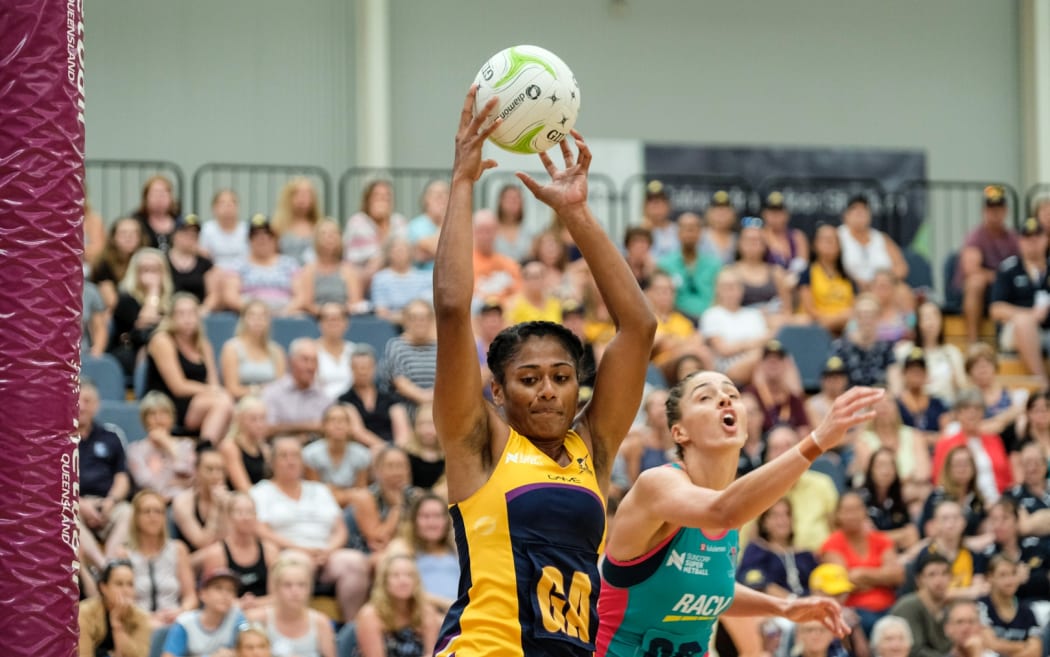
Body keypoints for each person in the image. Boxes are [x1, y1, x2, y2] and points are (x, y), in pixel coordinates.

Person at [431, 89, 657, 657]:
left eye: (561, 376)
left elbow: (638, 329)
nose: (549, 390)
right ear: (499, 392)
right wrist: (462, 181)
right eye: (529, 379)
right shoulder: (479, 441)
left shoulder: (593, 446)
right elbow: (454, 309)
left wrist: (576, 214)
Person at [596, 373, 876, 657]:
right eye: (705, 396)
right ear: (680, 432)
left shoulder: (734, 502)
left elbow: (712, 588)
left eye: (732, 394)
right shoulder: (658, 485)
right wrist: (816, 441)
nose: (724, 398)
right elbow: (723, 512)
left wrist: (783, 607)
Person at [250, 437, 370, 622]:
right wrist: (302, 549)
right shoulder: (261, 491)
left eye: (295, 456)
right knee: (295, 566)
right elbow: (261, 530)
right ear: (272, 462)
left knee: (356, 562)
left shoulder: (319, 490)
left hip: (326, 551)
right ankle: (296, 626)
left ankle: (351, 628)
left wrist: (328, 550)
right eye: (284, 456)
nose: (290, 461)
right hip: (288, 551)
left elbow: (340, 529)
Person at [146, 292, 234, 442]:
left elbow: (213, 381)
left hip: (199, 401)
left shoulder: (204, 345)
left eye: (192, 313)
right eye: (181, 314)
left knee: (227, 403)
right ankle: (205, 450)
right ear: (171, 317)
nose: (187, 319)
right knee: (223, 402)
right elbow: (178, 387)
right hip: (169, 403)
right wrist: (211, 391)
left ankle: (210, 447)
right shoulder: (162, 340)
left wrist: (214, 390)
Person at [820, 491, 905, 635]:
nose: (853, 515)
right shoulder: (832, 544)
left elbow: (897, 575)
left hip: (889, 606)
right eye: (847, 510)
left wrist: (862, 574)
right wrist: (882, 577)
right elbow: (844, 581)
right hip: (855, 610)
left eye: (857, 509)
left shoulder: (881, 540)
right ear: (838, 515)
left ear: (864, 512)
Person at [112, 490, 198, 627]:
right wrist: (148, 618)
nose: (153, 516)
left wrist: (181, 611)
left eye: (158, 511)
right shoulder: (123, 553)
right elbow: (120, 599)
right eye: (147, 511)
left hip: (174, 620)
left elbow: (191, 597)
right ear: (136, 517)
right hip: (137, 622)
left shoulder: (178, 549)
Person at [989, 217, 1050, 388]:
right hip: (1016, 332)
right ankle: (1043, 385)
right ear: (1020, 241)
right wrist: (1031, 315)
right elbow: (996, 309)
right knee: (1024, 322)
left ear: (1046, 239)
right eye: (1028, 238)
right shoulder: (1009, 269)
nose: (1033, 242)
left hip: (1047, 330)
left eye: (1037, 237)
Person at [954, 185, 1019, 344]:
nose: (995, 212)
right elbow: (971, 269)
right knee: (975, 282)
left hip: (1005, 290)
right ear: (984, 210)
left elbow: (1023, 265)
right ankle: (972, 342)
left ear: (1006, 210)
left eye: (999, 208)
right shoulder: (975, 236)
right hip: (981, 292)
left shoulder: (1013, 237)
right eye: (991, 208)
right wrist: (1001, 277)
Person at [78, 381, 132, 566]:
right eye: (77, 400)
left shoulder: (110, 436)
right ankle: (102, 566)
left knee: (128, 512)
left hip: (106, 503)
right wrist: (80, 504)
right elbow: (54, 482)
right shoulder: (58, 438)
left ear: (97, 405)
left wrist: (111, 501)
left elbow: (122, 477)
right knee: (66, 514)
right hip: (75, 504)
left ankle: (111, 562)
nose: (81, 406)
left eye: (87, 400)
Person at [195, 493, 279, 611]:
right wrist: (240, 604)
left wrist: (254, 603)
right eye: (239, 512)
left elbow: (277, 596)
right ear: (229, 517)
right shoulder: (216, 553)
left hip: (263, 610)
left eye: (250, 512)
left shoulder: (270, 550)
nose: (246, 517)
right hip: (227, 612)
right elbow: (210, 596)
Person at [244, 555, 336, 657]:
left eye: (301, 585)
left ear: (310, 589)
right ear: (276, 588)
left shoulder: (320, 622)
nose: (295, 592)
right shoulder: (257, 619)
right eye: (287, 585)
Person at [353, 553, 442, 657]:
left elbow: (431, 653)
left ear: (416, 582)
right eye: (395, 575)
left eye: (409, 575)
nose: (403, 581)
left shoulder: (426, 611)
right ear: (385, 581)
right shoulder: (370, 615)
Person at [933, 390, 1013, 504]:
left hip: (999, 501)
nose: (972, 413)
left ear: (983, 413)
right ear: (957, 414)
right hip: (962, 502)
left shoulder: (995, 440)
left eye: (977, 409)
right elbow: (939, 480)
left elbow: (1008, 476)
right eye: (966, 409)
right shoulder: (945, 444)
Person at [385, 492, 460, 613]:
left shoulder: (456, 548)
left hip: (463, 614)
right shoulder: (403, 547)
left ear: (447, 520)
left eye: (438, 516)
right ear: (414, 521)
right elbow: (392, 588)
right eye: (425, 516)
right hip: (425, 614)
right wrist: (446, 604)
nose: (432, 523)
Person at [108, 247, 174, 379]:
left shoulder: (172, 300)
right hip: (131, 350)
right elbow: (145, 324)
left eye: (155, 270)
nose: (150, 275)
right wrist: (153, 292)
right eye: (145, 270)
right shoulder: (126, 299)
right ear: (135, 273)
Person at [736, 497, 820, 600]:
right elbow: (759, 584)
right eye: (775, 515)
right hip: (772, 609)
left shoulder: (805, 555)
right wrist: (793, 602)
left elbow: (819, 583)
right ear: (764, 522)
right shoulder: (757, 551)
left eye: (787, 515)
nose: (782, 520)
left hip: (808, 607)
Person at [701, 269, 774, 385]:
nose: (731, 290)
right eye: (726, 286)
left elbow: (766, 340)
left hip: (758, 364)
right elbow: (724, 349)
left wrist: (740, 345)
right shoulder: (711, 315)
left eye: (735, 286)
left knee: (781, 357)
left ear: (742, 289)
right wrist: (752, 344)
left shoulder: (754, 315)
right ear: (717, 289)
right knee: (762, 355)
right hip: (727, 368)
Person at [222, 215, 302, 316]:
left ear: (274, 239)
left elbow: (301, 295)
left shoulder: (289, 264)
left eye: (267, 234)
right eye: (256, 235)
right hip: (250, 313)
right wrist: (255, 313)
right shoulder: (238, 265)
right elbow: (230, 296)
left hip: (284, 313)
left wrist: (285, 311)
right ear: (249, 240)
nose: (262, 238)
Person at [125, 392, 197, 504]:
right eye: (152, 414)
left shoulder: (186, 445)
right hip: (149, 504)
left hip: (182, 504)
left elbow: (191, 477)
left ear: (172, 417)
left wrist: (170, 446)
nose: (158, 419)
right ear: (144, 419)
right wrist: (173, 484)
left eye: (164, 413)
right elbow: (147, 484)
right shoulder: (135, 450)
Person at [894, 301, 968, 405]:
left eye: (935, 316)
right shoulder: (904, 351)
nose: (931, 322)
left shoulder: (952, 353)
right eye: (926, 317)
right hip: (914, 408)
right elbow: (898, 389)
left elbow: (962, 389)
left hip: (946, 408)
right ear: (918, 322)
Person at [338, 345, 412, 447]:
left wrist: (396, 449)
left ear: (375, 367)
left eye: (367, 367)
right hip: (361, 450)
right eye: (358, 367)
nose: (362, 371)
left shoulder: (390, 398)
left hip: (394, 448)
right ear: (351, 368)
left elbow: (403, 431)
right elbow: (358, 432)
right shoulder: (344, 400)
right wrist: (384, 450)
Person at [261, 338, 332, 443]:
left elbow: (328, 428)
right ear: (291, 362)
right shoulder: (273, 392)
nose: (310, 367)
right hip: (279, 450)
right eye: (305, 360)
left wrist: (293, 432)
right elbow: (266, 429)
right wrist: (308, 426)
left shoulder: (324, 394)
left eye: (314, 361)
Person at [161, 568, 245, 657]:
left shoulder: (237, 617)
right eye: (218, 588)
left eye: (230, 590)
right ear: (202, 594)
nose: (225, 594)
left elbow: (251, 648)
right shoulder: (185, 623)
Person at [302, 403, 373, 507]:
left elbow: (361, 493)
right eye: (333, 420)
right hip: (320, 507)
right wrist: (348, 494)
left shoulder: (362, 454)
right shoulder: (310, 454)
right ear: (324, 426)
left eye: (342, 420)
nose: (338, 424)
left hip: (352, 508)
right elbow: (316, 494)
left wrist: (334, 491)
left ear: (349, 426)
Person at [78, 558, 153, 657]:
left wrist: (117, 625)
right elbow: (84, 654)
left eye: (130, 584)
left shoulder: (141, 617)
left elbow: (141, 655)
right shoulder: (84, 613)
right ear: (103, 587)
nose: (125, 590)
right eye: (119, 584)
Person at [657, 210, 722, 320]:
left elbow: (720, 295)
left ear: (700, 233)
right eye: (685, 229)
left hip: (709, 318)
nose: (689, 233)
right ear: (677, 233)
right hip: (675, 319)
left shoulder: (714, 264)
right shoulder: (664, 264)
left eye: (693, 229)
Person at [294, 219, 364, 317]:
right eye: (324, 234)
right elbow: (307, 303)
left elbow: (355, 304)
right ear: (316, 239)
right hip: (316, 319)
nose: (329, 237)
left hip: (344, 320)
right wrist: (325, 313)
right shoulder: (308, 270)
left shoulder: (349, 271)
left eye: (333, 233)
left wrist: (337, 312)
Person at [976, 556, 1043, 657]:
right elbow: (991, 645)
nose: (1010, 580)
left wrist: (1005, 646)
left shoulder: (1027, 611)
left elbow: (1036, 651)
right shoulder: (981, 606)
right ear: (990, 578)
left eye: (1013, 574)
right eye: (1003, 575)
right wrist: (1024, 645)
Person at [343, 180, 407, 287]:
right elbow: (355, 258)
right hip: (363, 278)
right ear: (368, 200)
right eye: (377, 195)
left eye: (386, 196)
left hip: (396, 277)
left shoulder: (399, 221)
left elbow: (404, 253)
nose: (382, 199)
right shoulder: (357, 221)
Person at [837, 195, 908, 290]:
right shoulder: (837, 236)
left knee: (904, 292)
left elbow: (901, 268)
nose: (860, 213)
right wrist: (856, 282)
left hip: (884, 289)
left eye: (864, 210)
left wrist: (882, 282)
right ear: (845, 215)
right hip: (849, 289)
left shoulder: (882, 238)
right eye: (855, 209)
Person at [219, 300, 287, 401]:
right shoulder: (232, 348)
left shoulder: (277, 350)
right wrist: (258, 390)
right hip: (242, 403)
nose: (258, 320)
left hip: (272, 403)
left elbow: (282, 387)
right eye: (252, 315)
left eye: (263, 316)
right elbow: (232, 390)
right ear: (243, 320)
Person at [888, 553, 953, 657]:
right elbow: (915, 651)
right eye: (932, 574)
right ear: (919, 580)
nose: (939, 580)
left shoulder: (948, 608)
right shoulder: (909, 606)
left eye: (944, 573)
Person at [855, 447, 920, 551]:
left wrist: (882, 537)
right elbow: (867, 539)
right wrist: (900, 535)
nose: (885, 470)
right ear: (870, 469)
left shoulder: (899, 498)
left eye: (890, 465)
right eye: (880, 465)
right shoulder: (860, 499)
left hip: (900, 557)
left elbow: (911, 535)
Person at [382, 299, 438, 413]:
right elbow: (400, 383)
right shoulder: (395, 346)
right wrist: (426, 400)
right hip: (406, 414)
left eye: (424, 318)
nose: (419, 322)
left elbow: (448, 382)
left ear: (432, 320)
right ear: (405, 321)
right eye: (414, 318)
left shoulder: (442, 347)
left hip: (440, 410)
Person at [171, 444, 228, 553]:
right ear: (196, 471)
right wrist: (216, 508)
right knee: (216, 553)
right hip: (193, 560)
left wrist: (225, 507)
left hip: (222, 559)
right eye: (209, 469)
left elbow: (231, 541)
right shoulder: (183, 501)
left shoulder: (230, 499)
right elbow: (202, 543)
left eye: (220, 470)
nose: (216, 475)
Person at [369, 236, 433, 326]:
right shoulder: (380, 279)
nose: (400, 254)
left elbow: (427, 309)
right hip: (391, 327)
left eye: (403, 250)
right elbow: (381, 312)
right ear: (389, 253)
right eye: (396, 250)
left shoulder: (424, 278)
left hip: (422, 326)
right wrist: (408, 319)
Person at [167, 214, 220, 313]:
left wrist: (200, 312)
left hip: (198, 315)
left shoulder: (205, 263)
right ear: (174, 234)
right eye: (185, 232)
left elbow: (213, 295)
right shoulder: (163, 260)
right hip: (168, 313)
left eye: (195, 233)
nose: (190, 236)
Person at [92, 216, 146, 310]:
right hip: (118, 313)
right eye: (123, 233)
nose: (129, 237)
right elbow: (111, 302)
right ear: (113, 237)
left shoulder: (148, 260)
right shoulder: (104, 263)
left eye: (134, 233)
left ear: (140, 237)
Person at [220, 396, 272, 493]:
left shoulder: (264, 448)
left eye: (263, 419)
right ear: (240, 420)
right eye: (253, 419)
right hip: (239, 501)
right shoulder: (230, 447)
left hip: (260, 497)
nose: (259, 424)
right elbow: (243, 487)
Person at [271, 177, 323, 265]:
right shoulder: (277, 226)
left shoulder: (320, 225)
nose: (303, 198)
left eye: (308, 194)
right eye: (298, 193)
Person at [761, 191, 809, 279]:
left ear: (786, 214)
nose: (775, 216)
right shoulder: (759, 236)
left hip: (792, 282)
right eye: (772, 212)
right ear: (764, 214)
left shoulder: (797, 236)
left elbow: (802, 265)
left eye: (779, 212)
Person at [313, 303, 355, 399]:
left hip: (351, 405)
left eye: (337, 319)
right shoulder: (311, 352)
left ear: (346, 323)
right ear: (319, 324)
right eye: (327, 319)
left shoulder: (354, 351)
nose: (333, 323)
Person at [406, 179, 450, 271]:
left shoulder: (456, 226)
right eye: (436, 195)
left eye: (444, 194)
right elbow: (438, 249)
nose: (440, 199)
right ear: (425, 199)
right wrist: (444, 220)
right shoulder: (415, 225)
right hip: (423, 281)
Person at [199, 189, 249, 269]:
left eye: (232, 203)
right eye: (222, 203)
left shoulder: (246, 230)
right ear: (214, 208)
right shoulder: (206, 230)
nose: (228, 207)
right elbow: (203, 256)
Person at [133, 174, 180, 252]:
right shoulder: (136, 221)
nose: (159, 199)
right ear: (145, 197)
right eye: (155, 194)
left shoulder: (180, 221)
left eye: (163, 194)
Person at [639, 180, 679, 260]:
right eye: (651, 201)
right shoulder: (636, 232)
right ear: (644, 206)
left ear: (669, 206)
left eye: (661, 201)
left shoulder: (679, 231)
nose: (656, 206)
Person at [493, 183, 532, 263]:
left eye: (517, 198)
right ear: (500, 201)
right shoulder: (491, 229)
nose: (513, 202)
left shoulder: (529, 232)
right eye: (509, 198)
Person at [700, 189, 739, 265]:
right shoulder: (700, 236)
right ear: (709, 213)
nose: (721, 214)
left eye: (725, 210)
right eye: (717, 210)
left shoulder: (738, 239)